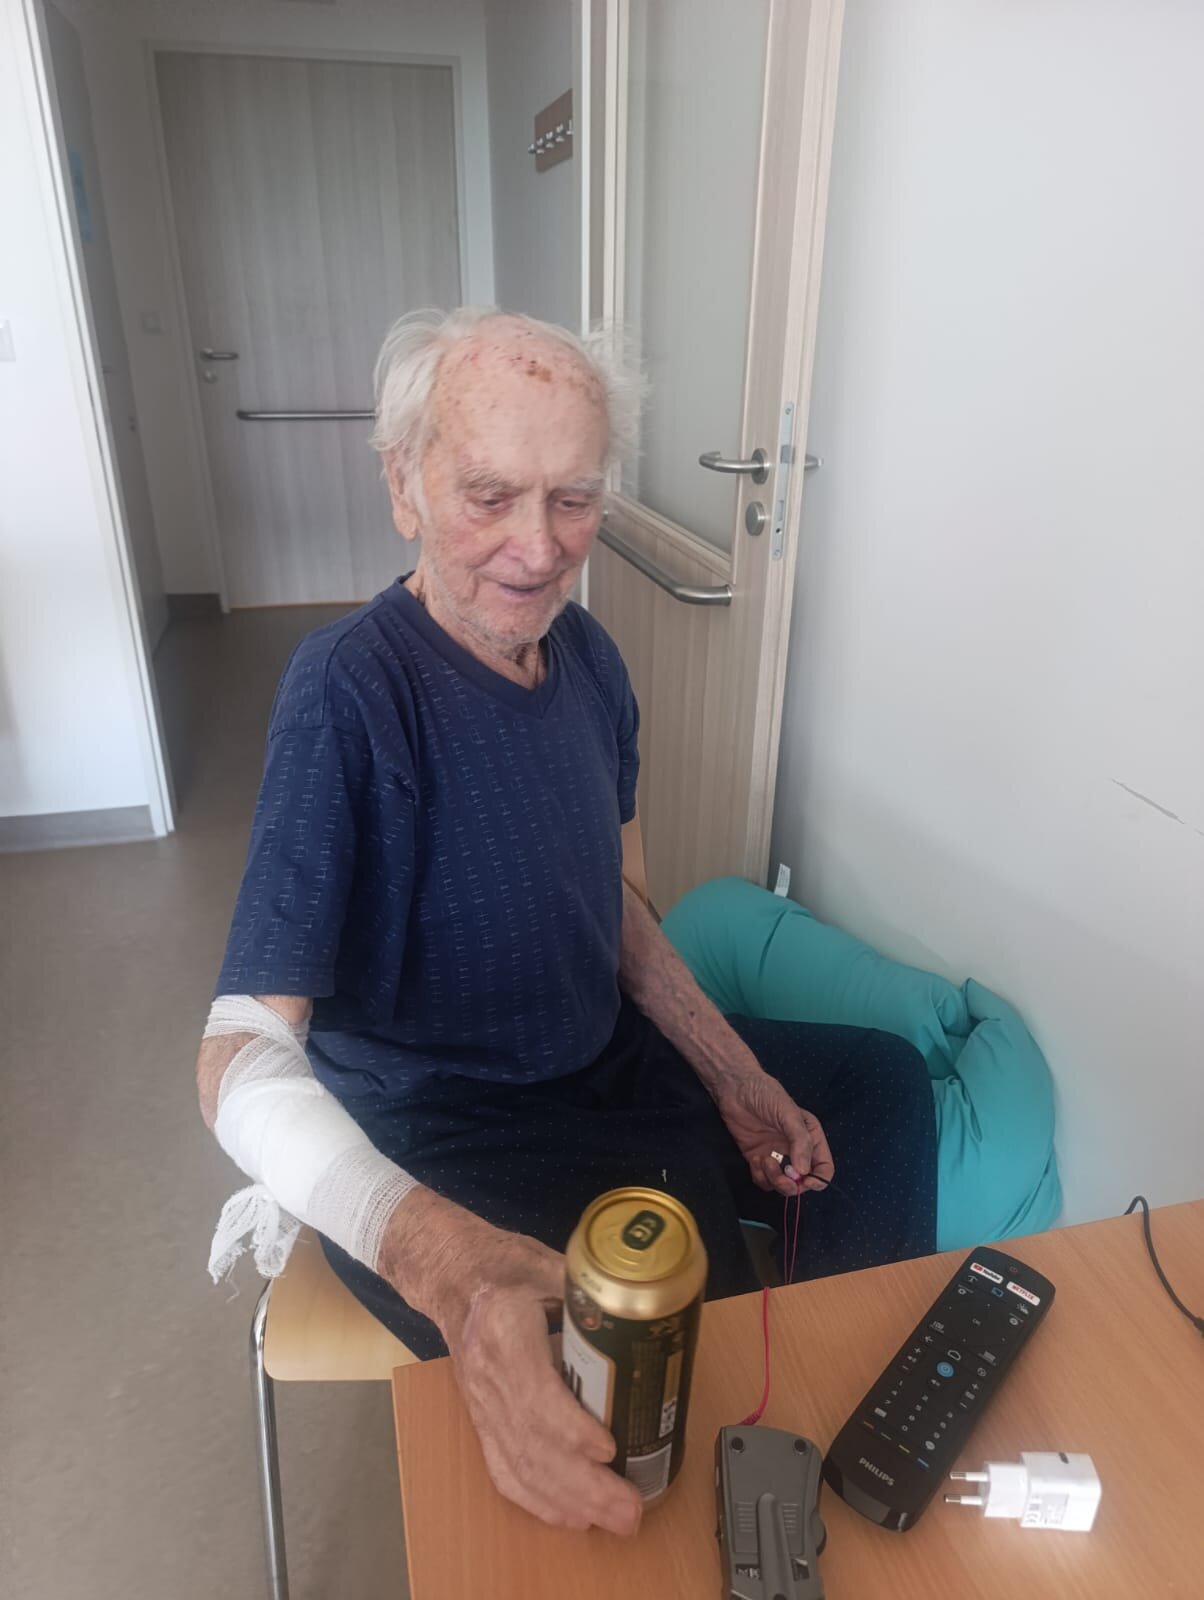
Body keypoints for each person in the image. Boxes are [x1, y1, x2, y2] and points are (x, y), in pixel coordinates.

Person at [196, 307, 937, 1537]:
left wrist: (734, 1075)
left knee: (880, 1086)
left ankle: (828, 1404)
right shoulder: (347, 690)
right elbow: (237, 1062)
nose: (538, 549)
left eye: (574, 500)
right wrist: (449, 1266)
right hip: (443, 1131)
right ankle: (749, 1450)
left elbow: (619, 908)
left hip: (605, 1064)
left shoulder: (587, 659)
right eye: (489, 494)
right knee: (641, 1386)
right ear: (404, 485)